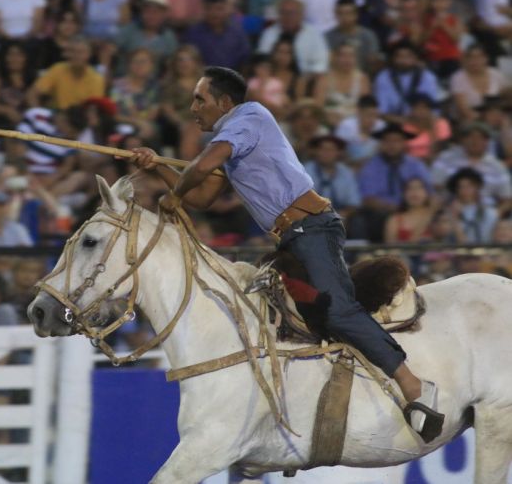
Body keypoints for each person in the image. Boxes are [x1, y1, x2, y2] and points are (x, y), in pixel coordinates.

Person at [128, 66, 443, 438]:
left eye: (201, 99)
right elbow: (203, 197)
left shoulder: (248, 117)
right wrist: (158, 166)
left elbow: (201, 170)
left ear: (225, 103)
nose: (193, 107)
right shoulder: (232, 142)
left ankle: (412, 384)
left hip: (311, 228)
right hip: (294, 237)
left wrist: (173, 195)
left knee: (338, 311)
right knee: (282, 319)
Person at [355, 123, 432, 242]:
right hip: (383, 213)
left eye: (397, 141)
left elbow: (428, 193)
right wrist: (395, 208)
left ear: (404, 143)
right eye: (387, 141)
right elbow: (367, 199)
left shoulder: (415, 165)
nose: (392, 145)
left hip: (413, 210)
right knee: (363, 220)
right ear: (381, 144)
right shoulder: (371, 166)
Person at [431, 123, 512, 215]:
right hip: (449, 210)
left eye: (480, 138)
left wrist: (493, 215)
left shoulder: (497, 166)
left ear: (487, 142)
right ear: (463, 140)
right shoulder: (446, 158)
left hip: (485, 212)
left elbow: (508, 199)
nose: (475, 141)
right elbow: (433, 186)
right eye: (470, 137)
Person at [256, 0, 330, 75]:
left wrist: (305, 79)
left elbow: (321, 63)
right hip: (275, 78)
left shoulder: (314, 34)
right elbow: (262, 61)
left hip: (307, 78)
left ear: (302, 14)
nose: (288, 16)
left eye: (292, 12)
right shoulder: (269, 34)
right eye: (283, 12)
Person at [27, 36, 105, 110]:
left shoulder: (96, 79)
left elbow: (94, 109)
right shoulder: (57, 69)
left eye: (81, 52)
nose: (76, 56)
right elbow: (32, 94)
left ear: (89, 54)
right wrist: (38, 115)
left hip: (81, 119)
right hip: (57, 116)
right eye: (72, 51)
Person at [372, 40, 440, 122]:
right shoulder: (383, 77)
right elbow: (381, 111)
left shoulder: (427, 77)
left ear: (415, 59)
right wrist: (404, 122)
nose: (404, 61)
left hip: (422, 122)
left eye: (408, 57)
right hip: (393, 122)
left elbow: (433, 110)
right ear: (393, 59)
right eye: (400, 57)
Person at [184, 0, 251, 71]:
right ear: (204, 10)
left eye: (219, 9)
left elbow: (245, 60)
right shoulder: (193, 33)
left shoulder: (237, 32)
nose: (214, 13)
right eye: (209, 8)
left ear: (227, 10)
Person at [114, 0, 178, 75]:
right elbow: (108, 51)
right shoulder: (128, 31)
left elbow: (173, 63)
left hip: (154, 85)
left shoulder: (169, 37)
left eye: (155, 12)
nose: (151, 16)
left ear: (164, 14)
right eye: (147, 11)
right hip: (124, 81)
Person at [303, 135, 361, 220]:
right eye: (322, 149)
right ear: (316, 152)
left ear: (339, 153)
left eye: (330, 150)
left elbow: (353, 201)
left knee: (358, 220)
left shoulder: (346, 172)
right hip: (311, 214)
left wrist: (343, 214)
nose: (326, 153)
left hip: (340, 214)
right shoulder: (305, 171)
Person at [313, 43, 370, 127]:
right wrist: (328, 117)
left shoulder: (362, 79)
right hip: (330, 122)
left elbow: (366, 106)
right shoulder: (324, 79)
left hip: (356, 123)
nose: (347, 60)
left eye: (351, 56)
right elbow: (318, 106)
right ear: (335, 58)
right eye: (343, 55)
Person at [449, 45, 509, 122]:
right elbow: (464, 110)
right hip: (470, 118)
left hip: (497, 115)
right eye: (470, 57)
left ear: (486, 58)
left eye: (478, 57)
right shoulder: (458, 78)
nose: (474, 61)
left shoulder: (496, 74)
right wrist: (485, 119)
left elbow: (507, 96)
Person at [324, 0, 382, 74]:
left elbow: (373, 62)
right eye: (340, 13)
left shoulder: (368, 35)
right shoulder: (328, 36)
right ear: (335, 14)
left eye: (348, 13)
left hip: (363, 77)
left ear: (356, 15)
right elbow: (327, 63)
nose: (344, 17)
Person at [446, 168, 498, 244]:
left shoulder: (490, 213)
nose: (465, 190)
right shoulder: (448, 212)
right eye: (461, 187)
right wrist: (454, 217)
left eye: (469, 186)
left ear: (477, 187)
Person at [335, 94, 385, 166]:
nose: (372, 119)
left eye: (375, 115)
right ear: (359, 113)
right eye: (369, 115)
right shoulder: (346, 126)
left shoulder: (381, 126)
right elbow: (339, 152)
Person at [383, 177, 435, 244]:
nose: (414, 192)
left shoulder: (438, 215)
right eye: (410, 188)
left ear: (427, 193)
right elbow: (390, 249)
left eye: (419, 188)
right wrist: (429, 213)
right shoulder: (394, 220)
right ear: (403, 194)